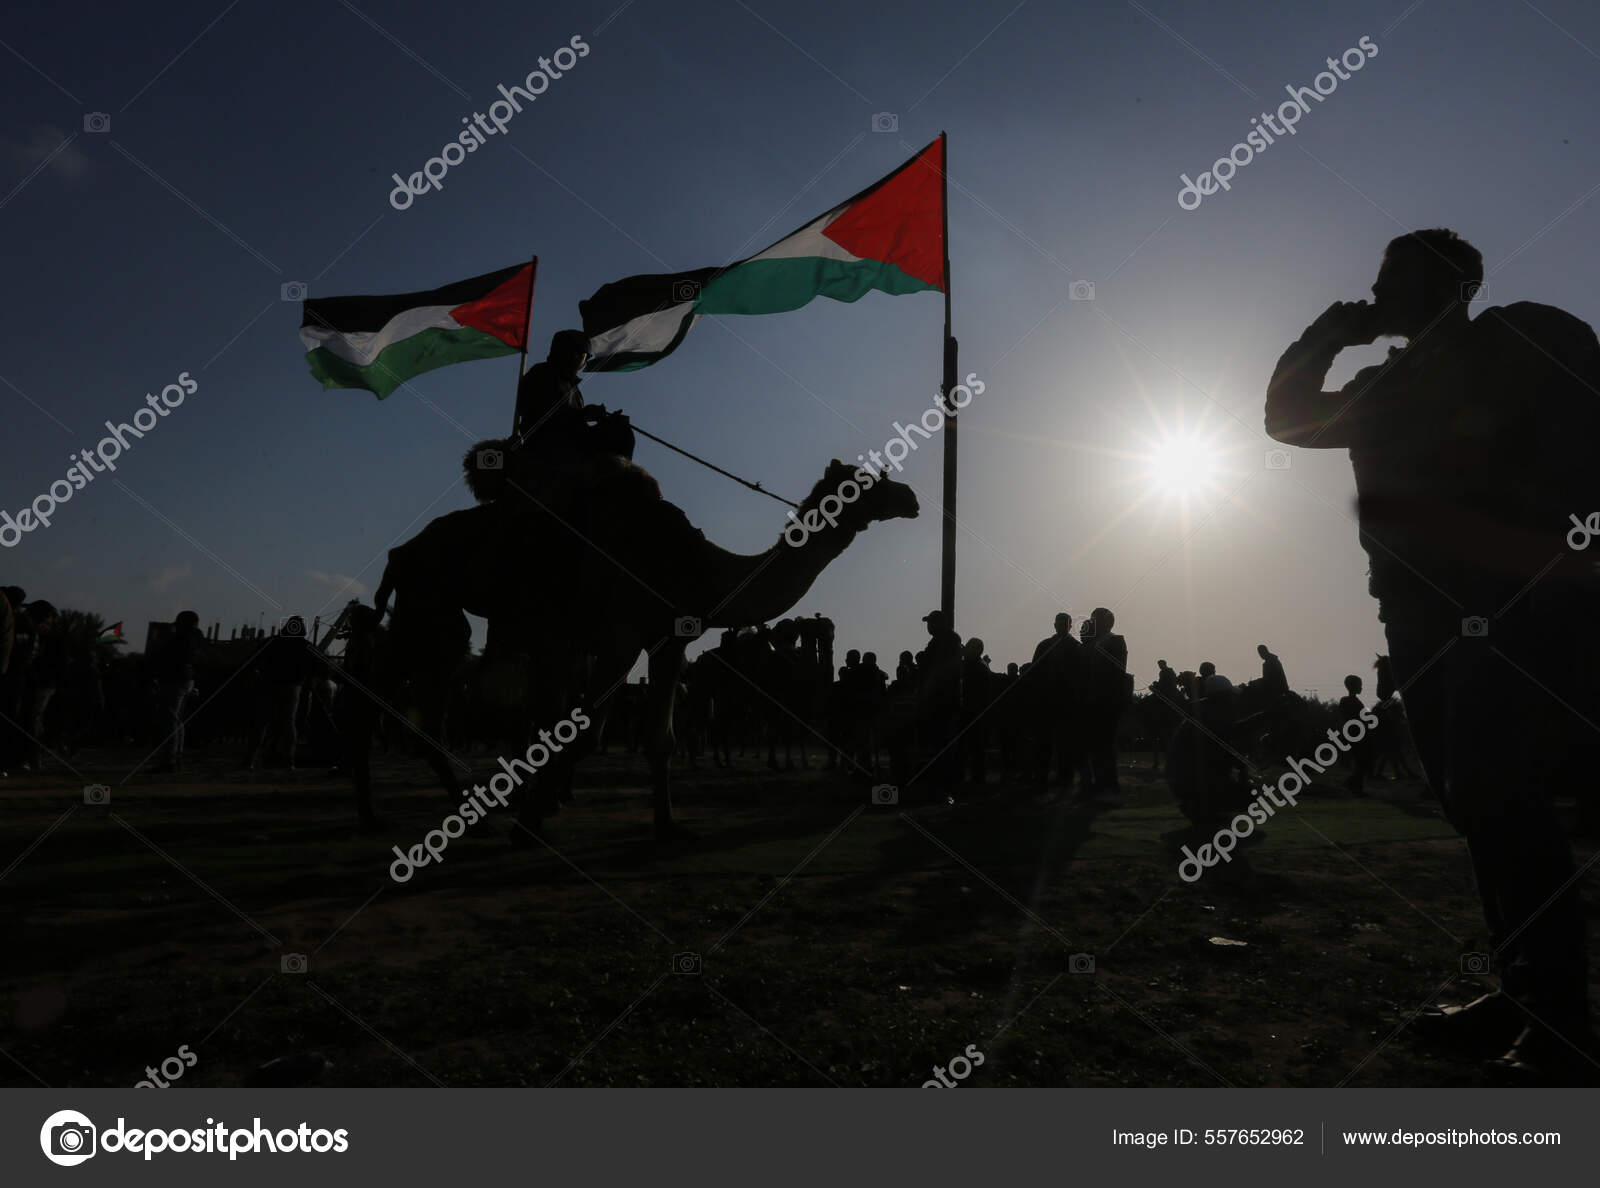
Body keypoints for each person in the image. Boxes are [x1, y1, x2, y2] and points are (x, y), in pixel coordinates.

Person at [1266, 227, 1600, 1082]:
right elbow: (1287, 421)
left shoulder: (1514, 339)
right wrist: (1325, 337)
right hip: (1416, 618)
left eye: (1399, 275)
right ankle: (1524, 993)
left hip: (1509, 607)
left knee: (1504, 798)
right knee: (1475, 806)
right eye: (1380, 276)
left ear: (1452, 286)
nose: (1382, 291)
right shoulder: (1381, 384)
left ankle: (1559, 1022)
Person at [247, 618, 319, 771]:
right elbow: (318, 666)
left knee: (262, 721)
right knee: (289, 722)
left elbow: (253, 659)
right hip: (293, 686)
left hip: (269, 683)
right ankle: (289, 761)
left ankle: (250, 760)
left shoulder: (273, 642)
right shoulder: (305, 646)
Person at [1028, 613, 1085, 793]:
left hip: (1063, 702)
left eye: (1064, 623)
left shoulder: (1073, 647)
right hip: (1051, 701)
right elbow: (1034, 673)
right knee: (1048, 742)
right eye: (1059, 623)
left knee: (1062, 743)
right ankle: (1048, 776)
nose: (1061, 626)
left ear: (1068, 626)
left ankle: (1059, 777)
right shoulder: (1067, 646)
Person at [1081, 608, 1130, 800]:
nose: (1091, 622)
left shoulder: (1115, 641)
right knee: (1095, 746)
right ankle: (1099, 783)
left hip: (1106, 701)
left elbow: (1115, 674)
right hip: (1092, 699)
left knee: (1105, 745)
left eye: (1094, 619)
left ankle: (1109, 786)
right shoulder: (1092, 643)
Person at [149, 610, 205, 773]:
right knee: (177, 721)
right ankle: (175, 758)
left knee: (171, 721)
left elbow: (167, 659)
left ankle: (169, 760)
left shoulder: (182, 639)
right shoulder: (195, 639)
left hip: (175, 681)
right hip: (186, 680)